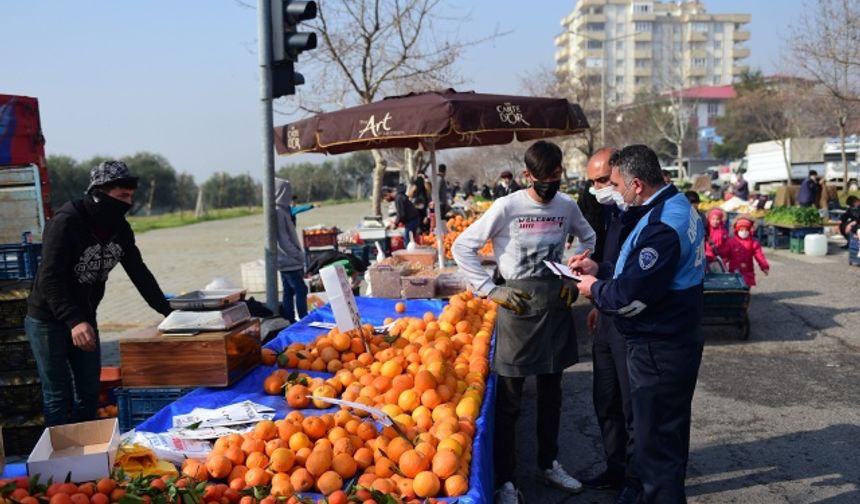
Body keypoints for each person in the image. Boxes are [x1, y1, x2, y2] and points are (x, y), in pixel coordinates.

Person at [451, 140, 596, 504]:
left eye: (555, 176)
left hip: (555, 304)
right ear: (526, 176)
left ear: (561, 173)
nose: (549, 183)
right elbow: (462, 246)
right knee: (511, 402)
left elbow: (590, 239)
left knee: (552, 395)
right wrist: (489, 290)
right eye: (541, 178)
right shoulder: (507, 206)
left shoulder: (567, 206)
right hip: (515, 307)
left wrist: (572, 278)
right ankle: (507, 482)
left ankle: (549, 464)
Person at [570, 144, 705, 504]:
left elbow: (631, 297)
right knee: (665, 441)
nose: (611, 191)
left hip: (660, 346)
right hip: (674, 338)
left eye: (615, 184)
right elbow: (641, 273)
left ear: (637, 184)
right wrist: (602, 270)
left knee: (655, 448)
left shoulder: (662, 225)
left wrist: (594, 289)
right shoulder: (671, 207)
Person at [26, 161, 172, 426]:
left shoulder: (120, 230)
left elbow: (139, 273)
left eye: (130, 196)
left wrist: (169, 313)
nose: (127, 203)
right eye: (121, 196)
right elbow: (50, 279)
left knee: (89, 391)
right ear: (99, 193)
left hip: (84, 315)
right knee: (59, 395)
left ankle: (86, 453)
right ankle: (57, 462)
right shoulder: (66, 222)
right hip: (48, 319)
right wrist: (74, 321)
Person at [577, 147, 649, 503]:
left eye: (604, 180)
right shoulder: (610, 213)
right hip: (606, 313)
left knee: (630, 404)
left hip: (630, 320)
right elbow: (609, 262)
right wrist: (596, 297)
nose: (598, 188)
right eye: (592, 182)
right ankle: (615, 467)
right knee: (605, 398)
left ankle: (635, 481)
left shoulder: (642, 215)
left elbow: (637, 277)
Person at [275, 179, 308, 323]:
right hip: (288, 259)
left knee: (288, 291)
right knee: (301, 290)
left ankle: (289, 320)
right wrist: (298, 255)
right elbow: (283, 239)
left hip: (286, 259)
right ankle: (303, 319)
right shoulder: (278, 212)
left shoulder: (282, 210)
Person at [720, 216, 769, 287]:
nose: (744, 232)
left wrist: (764, 266)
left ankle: (746, 295)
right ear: (737, 230)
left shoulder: (753, 243)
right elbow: (725, 254)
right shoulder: (731, 242)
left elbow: (759, 255)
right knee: (735, 284)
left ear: (749, 231)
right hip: (734, 269)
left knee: (747, 284)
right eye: (741, 230)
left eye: (746, 230)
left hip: (748, 270)